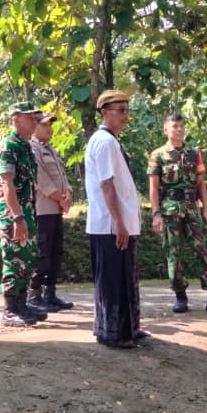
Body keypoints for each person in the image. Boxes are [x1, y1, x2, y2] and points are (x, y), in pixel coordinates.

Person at [148, 113, 207, 316]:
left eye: (182, 126)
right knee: (173, 254)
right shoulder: (158, 155)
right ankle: (180, 296)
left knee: (203, 251)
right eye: (175, 126)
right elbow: (153, 187)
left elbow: (201, 183)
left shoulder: (194, 153)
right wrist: (156, 214)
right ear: (166, 130)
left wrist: (206, 209)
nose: (179, 129)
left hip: (192, 207)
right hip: (169, 208)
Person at [85, 89, 143, 348]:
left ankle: (126, 327)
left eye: (127, 110)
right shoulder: (105, 142)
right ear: (104, 112)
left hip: (116, 222)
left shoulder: (110, 141)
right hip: (109, 224)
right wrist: (118, 222)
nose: (125, 116)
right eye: (120, 111)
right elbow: (107, 185)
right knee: (112, 280)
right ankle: (112, 332)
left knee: (124, 277)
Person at [0, 102, 47, 327]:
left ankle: (22, 305)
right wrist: (17, 217)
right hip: (12, 215)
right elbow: (7, 185)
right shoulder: (8, 146)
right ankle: (10, 310)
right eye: (30, 118)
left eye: (36, 118)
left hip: (26, 212)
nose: (35, 122)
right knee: (14, 259)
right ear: (15, 119)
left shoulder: (26, 146)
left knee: (28, 258)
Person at [27, 114, 75, 312]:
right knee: (43, 253)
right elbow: (40, 178)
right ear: (34, 126)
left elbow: (63, 177)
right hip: (43, 209)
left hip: (56, 209)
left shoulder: (52, 150)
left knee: (56, 253)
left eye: (50, 125)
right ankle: (34, 295)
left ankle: (50, 294)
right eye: (44, 125)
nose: (49, 128)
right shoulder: (32, 148)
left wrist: (69, 194)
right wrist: (59, 197)